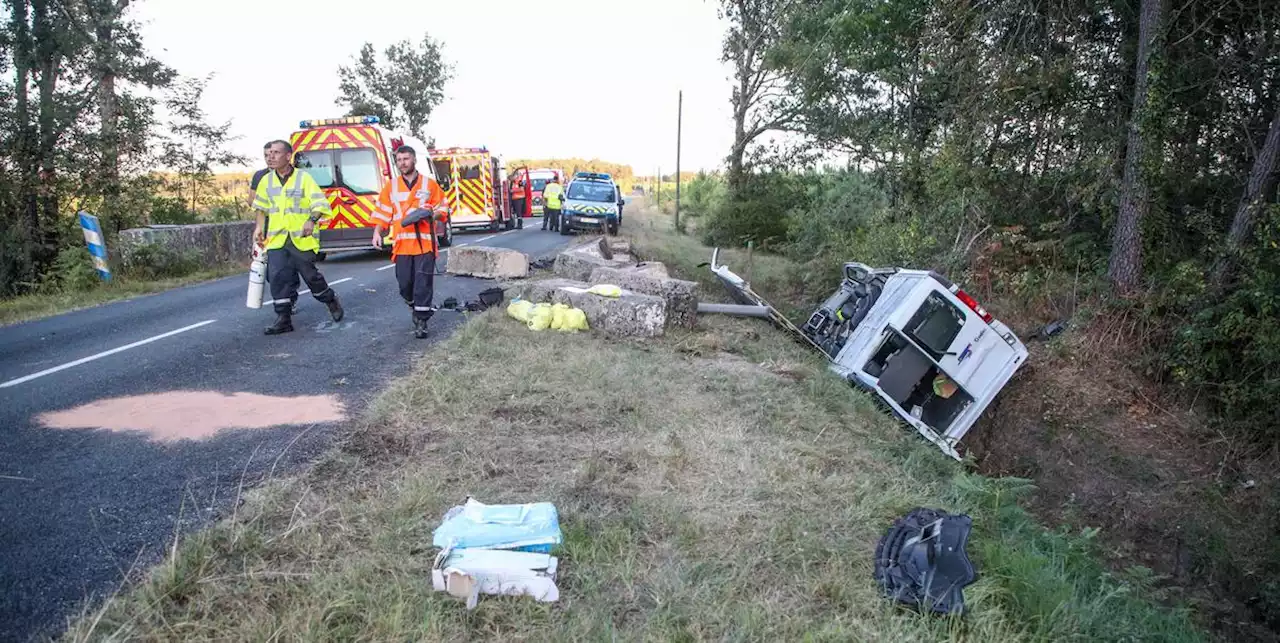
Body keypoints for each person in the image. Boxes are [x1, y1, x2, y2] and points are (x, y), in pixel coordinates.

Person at [252, 139, 344, 335]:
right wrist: (259, 227)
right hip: (276, 239)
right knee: (277, 277)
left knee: (311, 276)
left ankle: (330, 299)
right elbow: (260, 207)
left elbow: (320, 204)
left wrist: (311, 220)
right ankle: (283, 319)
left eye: (276, 153)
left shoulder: (304, 179)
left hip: (301, 239)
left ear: (288, 156)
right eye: (268, 154)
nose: (271, 157)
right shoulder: (265, 181)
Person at [371, 145, 448, 339]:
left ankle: (421, 321)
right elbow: (382, 213)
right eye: (399, 160)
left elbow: (443, 209)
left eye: (406, 159)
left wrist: (431, 213)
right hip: (403, 245)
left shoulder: (429, 185)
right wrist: (377, 232)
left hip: (425, 245)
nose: (402, 163)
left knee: (423, 284)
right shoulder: (391, 186)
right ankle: (416, 307)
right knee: (405, 286)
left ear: (414, 160)